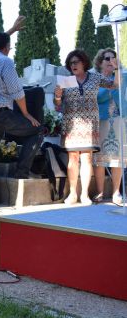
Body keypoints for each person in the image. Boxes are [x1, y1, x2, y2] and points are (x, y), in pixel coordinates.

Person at [0, 26, 42, 206]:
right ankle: (21, 174)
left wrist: (11, 30)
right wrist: (27, 114)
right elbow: (17, 92)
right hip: (0, 114)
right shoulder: (6, 62)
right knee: (38, 131)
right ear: (7, 48)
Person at [54, 49, 120, 205]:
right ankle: (72, 194)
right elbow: (57, 106)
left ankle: (84, 194)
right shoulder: (65, 81)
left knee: (87, 158)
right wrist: (57, 96)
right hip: (71, 124)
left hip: (90, 125)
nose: (73, 65)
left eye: (76, 62)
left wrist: (116, 68)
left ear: (84, 63)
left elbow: (115, 85)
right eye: (71, 63)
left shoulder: (95, 78)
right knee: (73, 158)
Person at [91, 48, 126, 205]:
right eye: (107, 58)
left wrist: (118, 72)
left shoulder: (122, 76)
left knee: (117, 157)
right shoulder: (95, 79)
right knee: (100, 158)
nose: (111, 61)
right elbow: (99, 97)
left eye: (113, 58)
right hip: (101, 120)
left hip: (118, 119)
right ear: (100, 62)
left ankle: (116, 192)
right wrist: (111, 83)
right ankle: (99, 192)